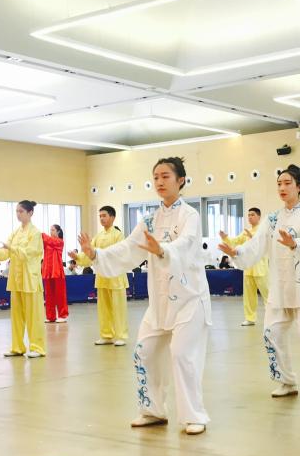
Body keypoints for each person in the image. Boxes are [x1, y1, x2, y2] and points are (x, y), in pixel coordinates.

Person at [79, 157, 211, 435]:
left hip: (189, 299)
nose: (160, 182)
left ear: (181, 181)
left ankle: (194, 415)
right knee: (144, 352)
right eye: (156, 177)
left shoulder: (190, 215)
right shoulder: (150, 219)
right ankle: (153, 410)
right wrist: (96, 254)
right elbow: (129, 248)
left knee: (181, 355)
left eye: (166, 176)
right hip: (160, 301)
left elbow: (186, 244)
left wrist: (163, 250)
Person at [219, 164, 300, 400]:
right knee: (271, 333)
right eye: (279, 184)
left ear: (299, 187)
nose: (282, 188)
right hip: (279, 289)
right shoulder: (272, 219)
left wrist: (296, 244)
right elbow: (256, 245)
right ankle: (287, 381)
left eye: (287, 183)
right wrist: (236, 252)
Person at [0, 200, 48, 358]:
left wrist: (11, 248)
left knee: (34, 316)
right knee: (17, 316)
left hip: (30, 279)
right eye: (17, 211)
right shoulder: (15, 233)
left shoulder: (35, 233)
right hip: (16, 279)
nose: (18, 214)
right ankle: (17, 347)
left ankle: (37, 347)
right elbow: (4, 253)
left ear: (30, 213)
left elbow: (29, 254)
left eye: (21, 211)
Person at [71, 205, 129, 346]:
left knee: (118, 309)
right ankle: (106, 335)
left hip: (116, 277)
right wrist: (77, 257)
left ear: (112, 217)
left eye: (104, 215)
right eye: (100, 216)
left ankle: (121, 336)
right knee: (104, 309)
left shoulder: (118, 235)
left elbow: (119, 254)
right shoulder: (98, 236)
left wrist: (99, 254)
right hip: (102, 277)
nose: (102, 218)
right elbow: (89, 254)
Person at [221, 208, 270, 326]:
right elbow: (234, 242)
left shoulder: (263, 231)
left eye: (252, 215)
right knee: (249, 296)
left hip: (260, 268)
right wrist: (225, 238)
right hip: (248, 268)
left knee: (267, 294)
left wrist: (252, 237)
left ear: (259, 217)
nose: (249, 217)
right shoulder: (245, 232)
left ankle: (273, 317)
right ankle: (250, 318)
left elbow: (263, 245)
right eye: (248, 215)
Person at [42, 224, 69, 324]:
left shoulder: (59, 242)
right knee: (48, 295)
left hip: (57, 271)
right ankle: (50, 316)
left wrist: (41, 234)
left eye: (53, 230)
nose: (51, 232)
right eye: (50, 230)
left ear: (58, 231)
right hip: (48, 271)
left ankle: (62, 315)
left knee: (60, 294)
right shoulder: (47, 242)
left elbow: (50, 240)